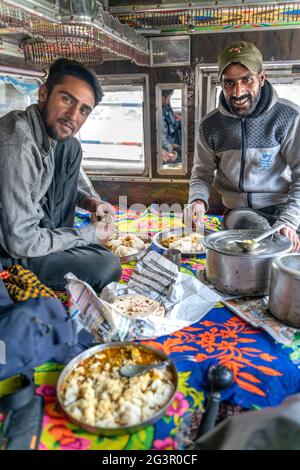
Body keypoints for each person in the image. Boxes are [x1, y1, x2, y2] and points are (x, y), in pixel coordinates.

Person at [0, 58, 122, 291]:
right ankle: (59, 247)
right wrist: (88, 235)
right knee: (107, 265)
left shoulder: (46, 132)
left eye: (84, 110)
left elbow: (40, 184)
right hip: (10, 250)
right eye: (67, 99)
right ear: (43, 93)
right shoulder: (19, 145)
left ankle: (59, 242)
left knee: (70, 146)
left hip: (36, 223)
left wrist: (89, 201)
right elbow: (21, 242)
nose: (73, 115)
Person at [187, 41, 300, 252]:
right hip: (240, 212)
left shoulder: (288, 117)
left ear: (261, 78)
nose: (238, 92)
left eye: (246, 80)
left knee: (289, 247)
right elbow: (201, 174)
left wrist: (289, 221)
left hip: (286, 205)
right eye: (229, 83)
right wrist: (198, 201)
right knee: (256, 241)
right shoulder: (210, 126)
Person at [161, 89, 182, 164]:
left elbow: (171, 114)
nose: (169, 101)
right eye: (169, 98)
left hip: (172, 142)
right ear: (162, 98)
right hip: (167, 149)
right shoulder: (157, 115)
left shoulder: (166, 106)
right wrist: (170, 149)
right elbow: (161, 138)